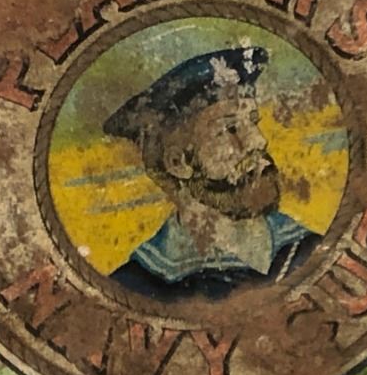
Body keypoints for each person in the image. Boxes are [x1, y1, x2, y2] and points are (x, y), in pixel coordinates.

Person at [101, 45, 314, 300]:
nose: (258, 141)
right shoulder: (142, 286)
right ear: (178, 164)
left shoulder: (306, 247)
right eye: (230, 129)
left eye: (253, 122)